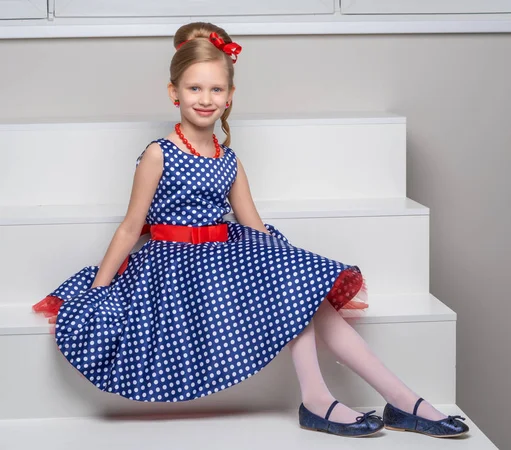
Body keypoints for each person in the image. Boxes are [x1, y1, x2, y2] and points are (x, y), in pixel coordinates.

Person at [33, 21, 469, 439]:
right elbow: (131, 227)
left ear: (230, 96)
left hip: (225, 252)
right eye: (194, 88)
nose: (205, 98)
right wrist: (99, 288)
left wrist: (286, 266)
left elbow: (253, 226)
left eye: (216, 89)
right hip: (176, 268)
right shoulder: (158, 154)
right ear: (174, 92)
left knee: (296, 283)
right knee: (291, 285)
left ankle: (396, 399)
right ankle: (338, 400)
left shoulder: (229, 160)